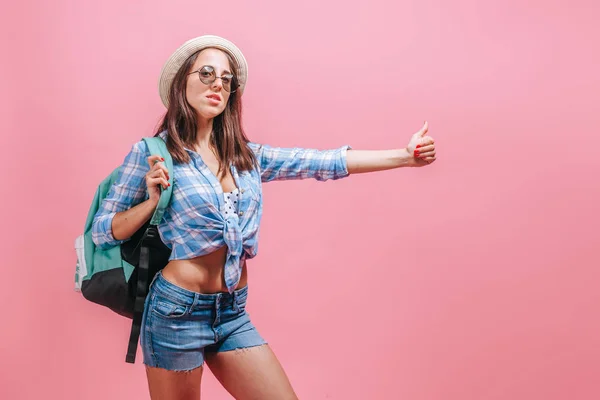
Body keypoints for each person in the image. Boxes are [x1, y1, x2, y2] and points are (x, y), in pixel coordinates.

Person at [92, 35, 436, 400]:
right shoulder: (153, 153)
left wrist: (404, 156)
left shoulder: (245, 157)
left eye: (227, 80)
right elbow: (102, 231)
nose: (217, 85)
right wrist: (151, 203)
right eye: (207, 73)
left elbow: (320, 162)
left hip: (231, 310)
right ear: (182, 81)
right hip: (176, 312)